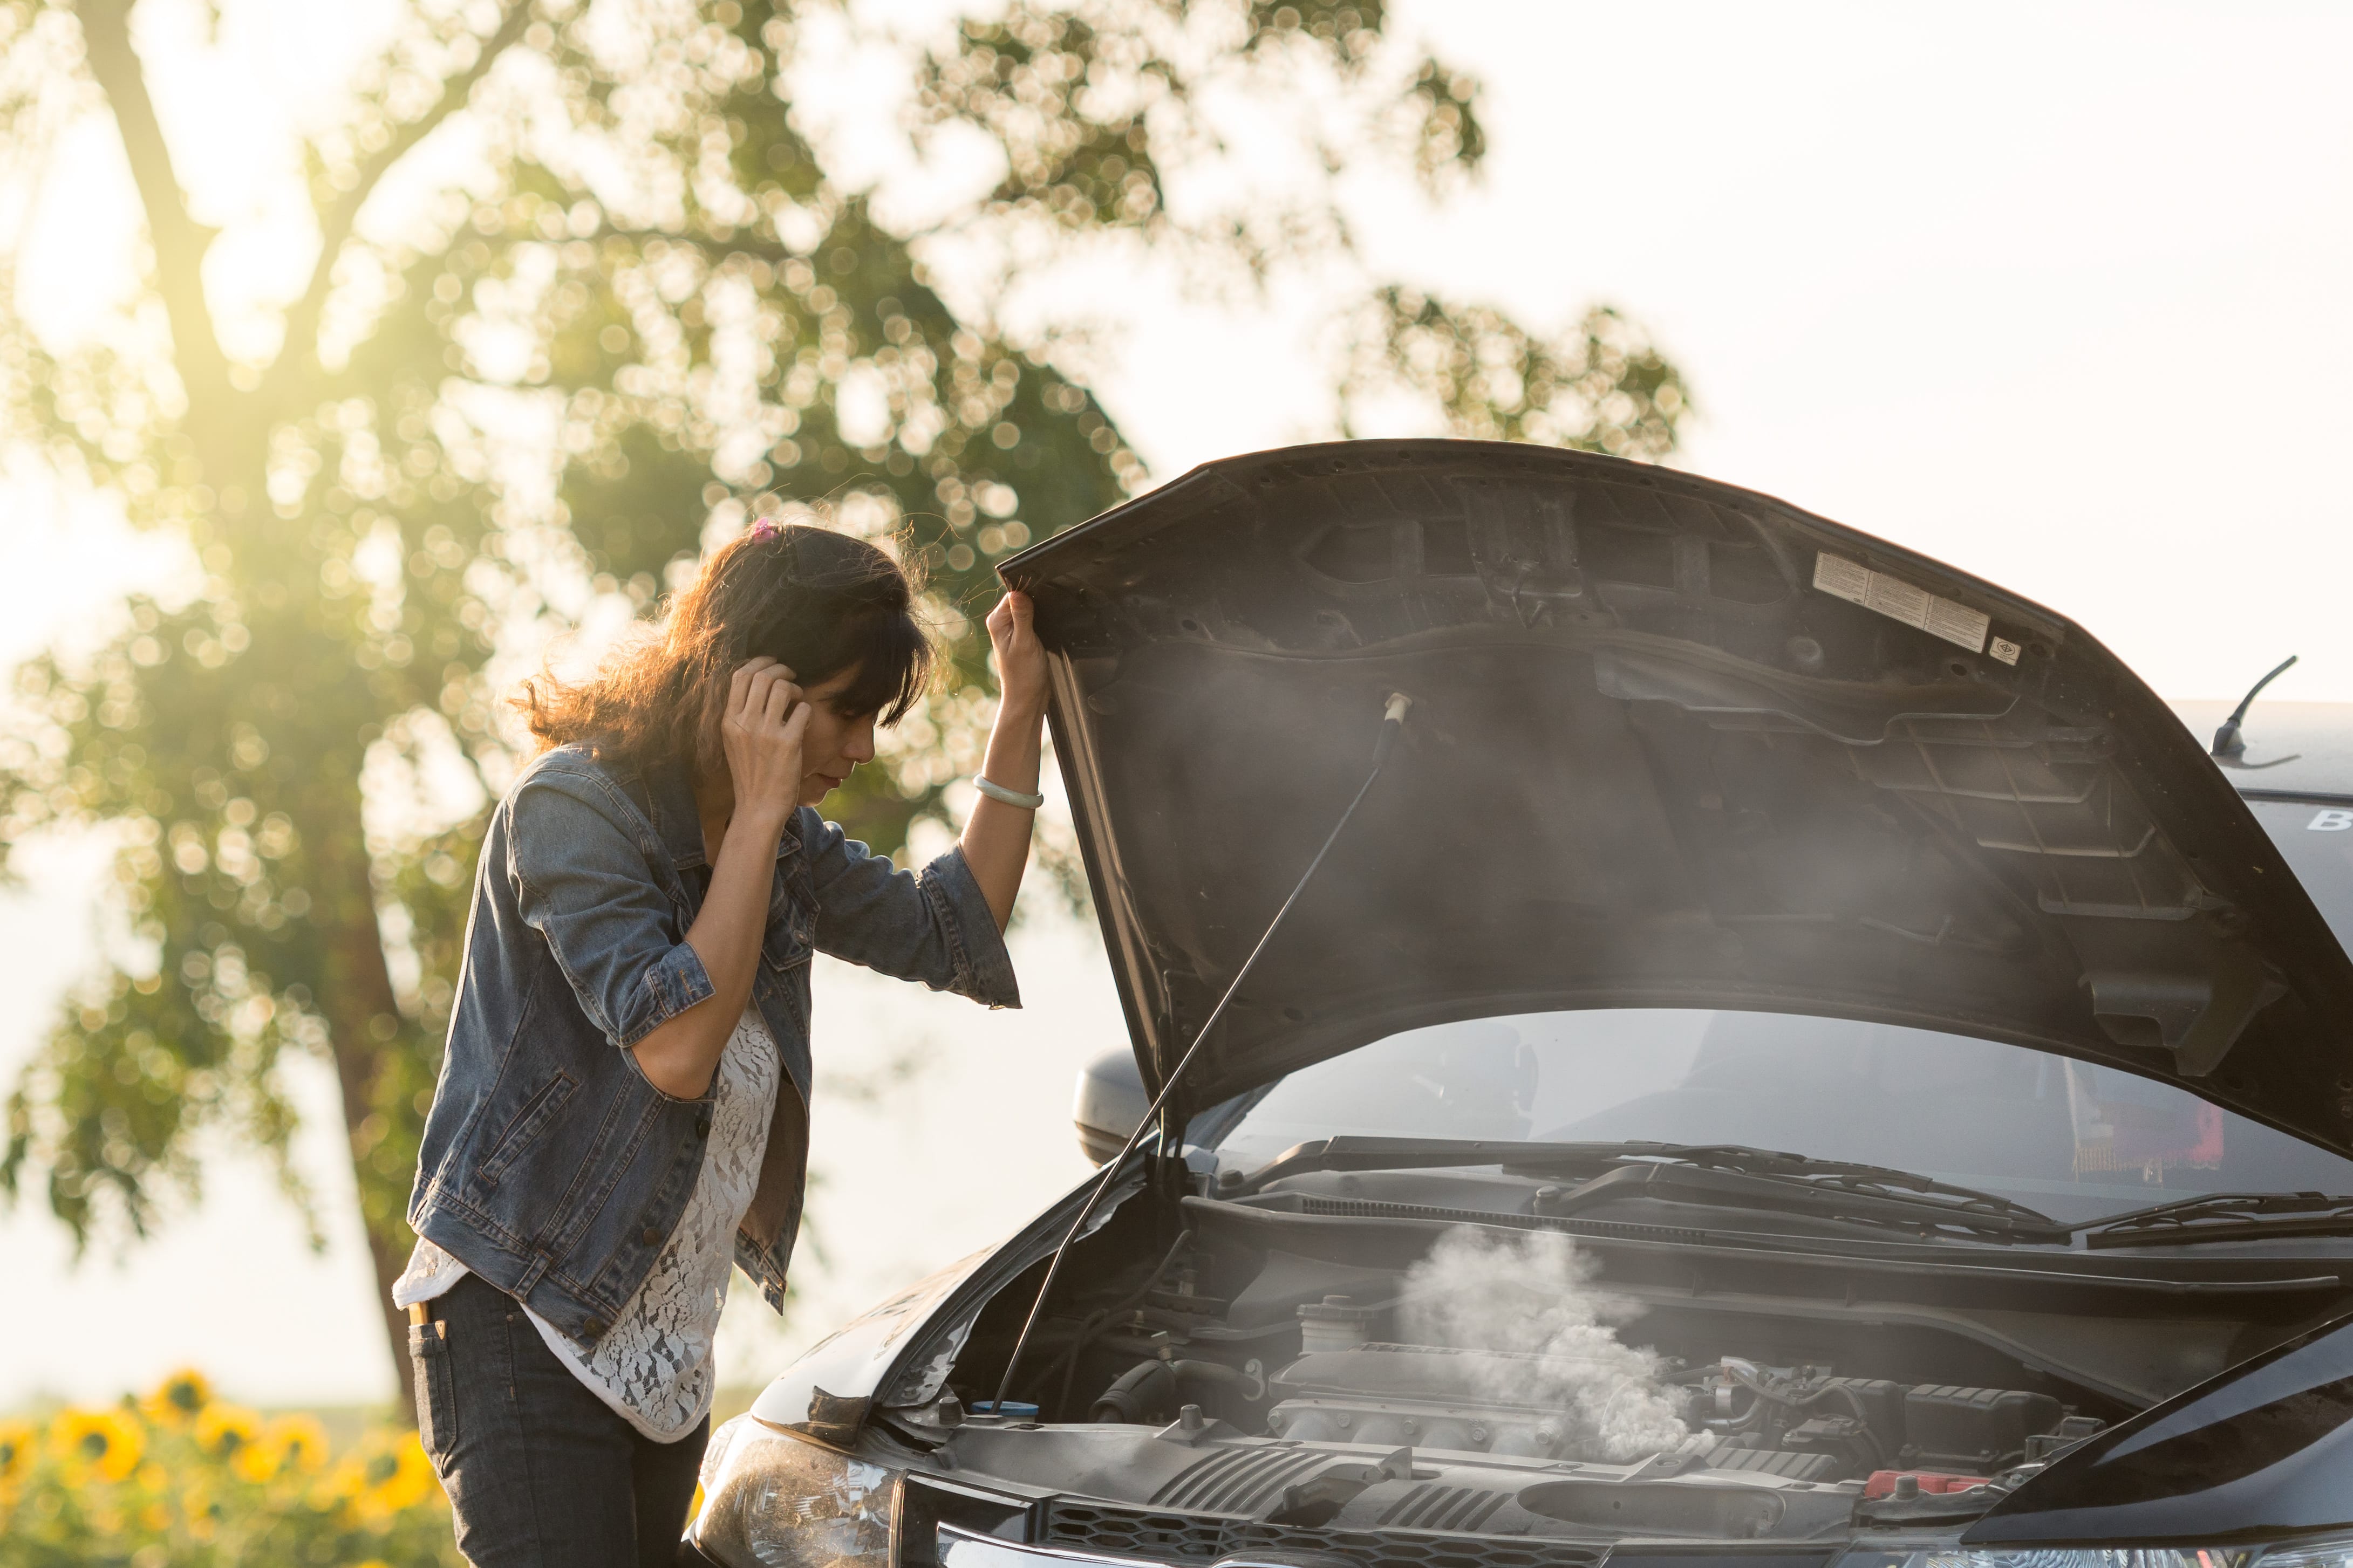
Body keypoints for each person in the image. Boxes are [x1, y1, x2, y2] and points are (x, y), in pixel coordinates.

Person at [393, 519, 1047, 1566]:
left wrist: (1023, 706)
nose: (864, 745)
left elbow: (951, 933)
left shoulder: (777, 838)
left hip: (663, 1349)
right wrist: (755, 816)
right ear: (755, 690)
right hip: (527, 1321)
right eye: (845, 710)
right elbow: (676, 1048)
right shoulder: (571, 811)